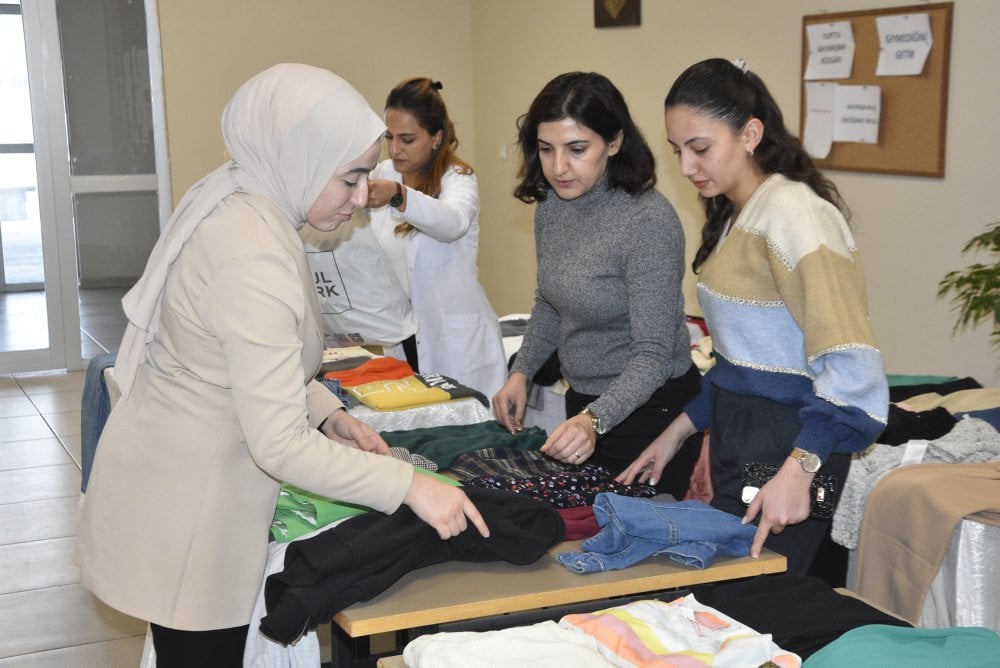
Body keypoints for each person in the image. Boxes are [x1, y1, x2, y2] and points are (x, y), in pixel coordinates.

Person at [74, 64, 488, 667]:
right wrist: (412, 487)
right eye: (349, 178)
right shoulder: (253, 253)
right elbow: (277, 444)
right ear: (299, 158)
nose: (357, 198)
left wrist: (327, 415)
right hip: (190, 511)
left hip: (187, 486)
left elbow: (230, 359)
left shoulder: (249, 206)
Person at [617, 58, 889, 576]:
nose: (688, 167)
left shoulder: (796, 214)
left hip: (794, 445)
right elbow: (748, 363)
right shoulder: (739, 213)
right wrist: (679, 430)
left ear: (750, 133)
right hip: (747, 436)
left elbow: (853, 365)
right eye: (678, 151)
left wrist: (800, 468)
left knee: (752, 602)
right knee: (726, 602)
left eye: (700, 148)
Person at [492, 71, 701, 499]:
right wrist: (522, 373)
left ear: (615, 142)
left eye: (577, 149)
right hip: (585, 404)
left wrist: (595, 420)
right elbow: (550, 302)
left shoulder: (648, 221)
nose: (558, 167)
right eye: (546, 150)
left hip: (649, 412)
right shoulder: (552, 205)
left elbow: (653, 356)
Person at [365, 77, 506, 399]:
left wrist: (400, 196)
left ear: (436, 137)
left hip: (456, 342)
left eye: (407, 138)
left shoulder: (458, 179)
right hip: (402, 337)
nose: (395, 148)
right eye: (389, 136)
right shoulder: (381, 174)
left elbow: (452, 222)